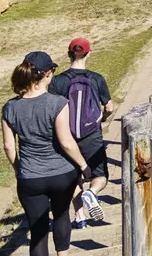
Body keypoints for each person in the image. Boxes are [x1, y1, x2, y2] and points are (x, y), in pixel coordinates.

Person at [0, 50, 91, 256]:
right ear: (48, 74)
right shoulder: (57, 103)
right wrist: (83, 166)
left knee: (37, 228)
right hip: (61, 173)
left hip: (30, 177)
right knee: (61, 216)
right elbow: (66, 142)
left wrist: (19, 169)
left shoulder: (9, 108)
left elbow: (9, 148)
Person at [48, 37, 115, 224]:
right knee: (100, 175)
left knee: (73, 177)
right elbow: (109, 106)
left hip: (66, 135)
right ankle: (91, 193)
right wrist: (103, 119)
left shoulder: (57, 81)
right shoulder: (96, 78)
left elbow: (52, 109)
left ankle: (80, 217)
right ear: (89, 53)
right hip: (92, 134)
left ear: (69, 54)